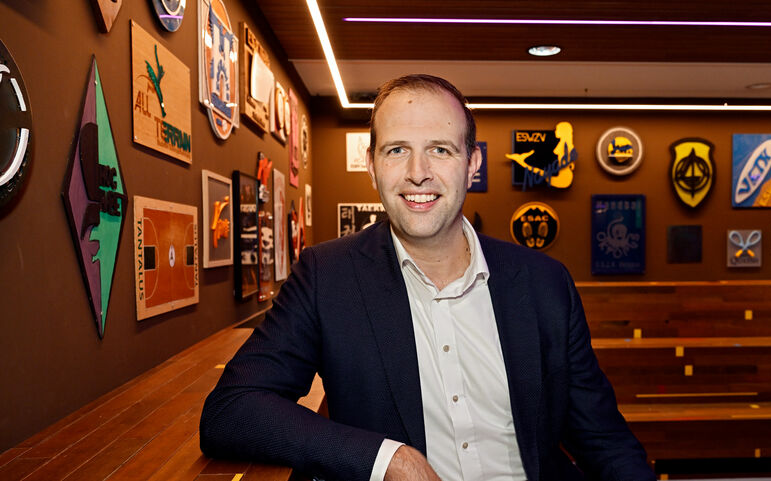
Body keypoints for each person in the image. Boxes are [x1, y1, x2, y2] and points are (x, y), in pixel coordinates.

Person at [200, 74, 655, 481]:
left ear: (472, 164)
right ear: (372, 165)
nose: (418, 174)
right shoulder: (327, 276)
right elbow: (231, 409)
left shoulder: (544, 282)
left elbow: (604, 440)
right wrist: (389, 459)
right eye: (397, 150)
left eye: (440, 149)